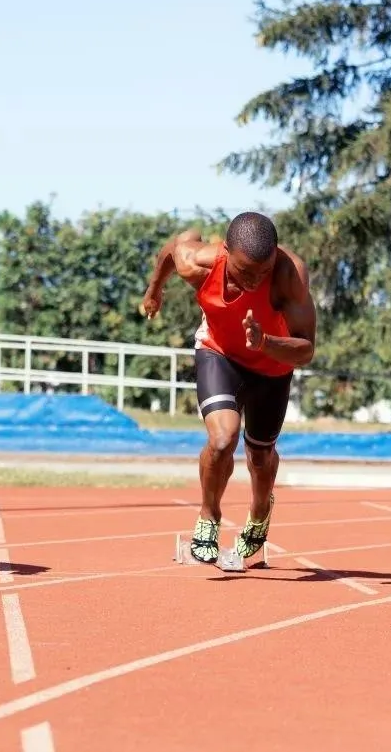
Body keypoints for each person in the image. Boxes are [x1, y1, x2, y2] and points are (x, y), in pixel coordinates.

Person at [141, 211, 317, 565]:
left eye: (261, 272)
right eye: (245, 272)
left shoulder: (288, 274)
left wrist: (265, 341)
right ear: (226, 254)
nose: (254, 281)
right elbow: (173, 250)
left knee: (260, 456)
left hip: (272, 365)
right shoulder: (200, 263)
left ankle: (258, 512)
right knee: (222, 440)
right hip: (219, 352)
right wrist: (154, 290)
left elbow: (306, 349)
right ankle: (209, 515)